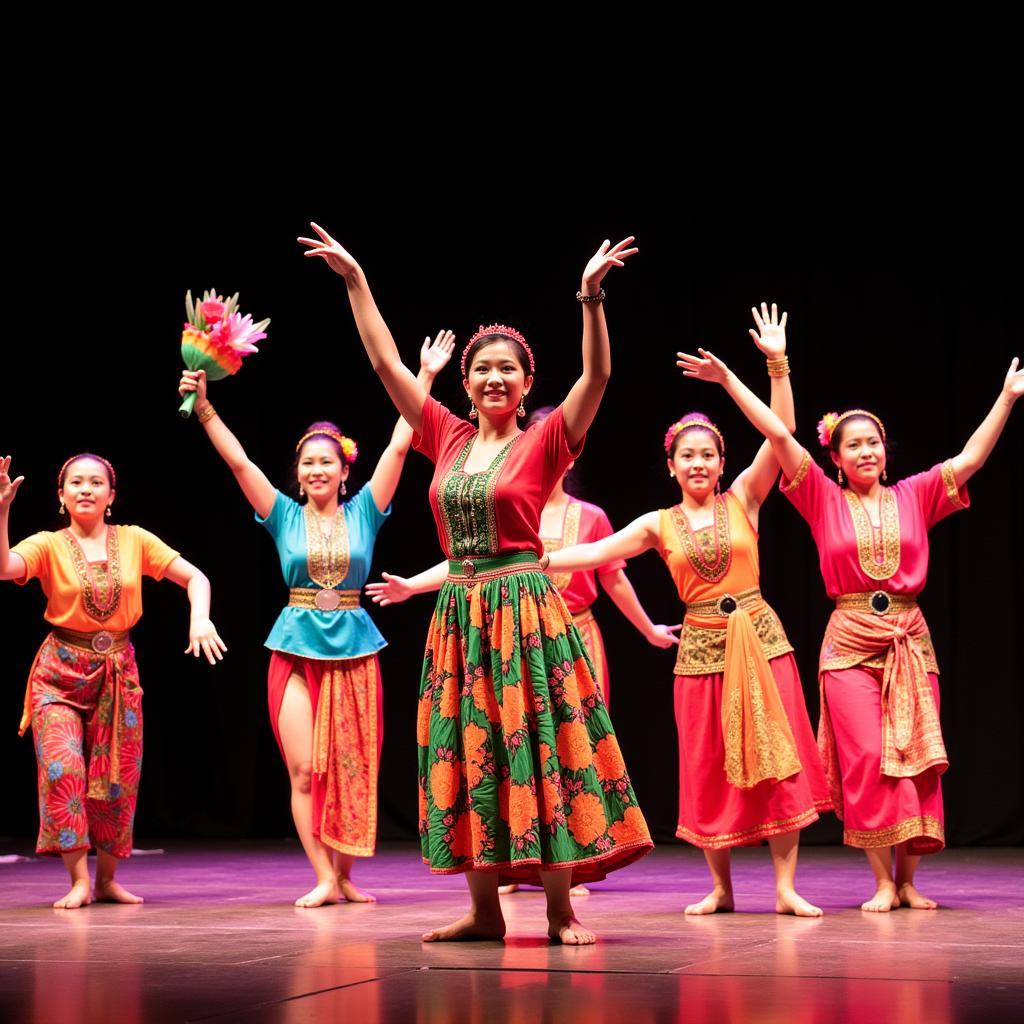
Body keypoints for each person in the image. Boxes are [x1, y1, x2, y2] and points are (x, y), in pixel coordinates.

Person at [300, 222, 652, 945]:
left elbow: (599, 378)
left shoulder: (547, 440)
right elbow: (385, 363)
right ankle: (485, 909)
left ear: (526, 385)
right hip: (461, 615)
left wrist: (590, 299)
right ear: (465, 384)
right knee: (466, 745)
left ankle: (558, 909)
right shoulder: (447, 437)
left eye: (509, 370)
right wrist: (356, 281)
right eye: (482, 369)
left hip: (523, 608)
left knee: (538, 744)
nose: (495, 377)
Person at [677, 339, 1023, 912]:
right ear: (835, 457)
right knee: (866, 759)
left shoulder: (916, 494)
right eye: (853, 445)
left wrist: (1005, 401)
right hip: (847, 643)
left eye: (873, 443)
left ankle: (908, 879)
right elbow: (780, 437)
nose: (865, 452)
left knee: (916, 756)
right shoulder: (819, 497)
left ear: (886, 452)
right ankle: (882, 880)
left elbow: (970, 459)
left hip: (911, 637)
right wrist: (737, 379)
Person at [549, 304, 831, 917]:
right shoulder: (657, 523)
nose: (698, 463)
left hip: (759, 636)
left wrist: (770, 367)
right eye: (687, 456)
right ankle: (723, 887)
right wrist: (536, 562)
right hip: (702, 648)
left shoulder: (745, 500)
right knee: (706, 764)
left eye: (708, 454)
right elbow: (596, 551)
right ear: (672, 465)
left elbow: (781, 435)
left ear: (722, 463)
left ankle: (784, 888)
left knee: (779, 758)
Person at [178, 332, 454, 907]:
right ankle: (323, 876)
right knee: (304, 771)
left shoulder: (366, 512)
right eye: (307, 463)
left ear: (343, 469)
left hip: (354, 643)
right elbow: (238, 461)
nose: (315, 469)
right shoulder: (281, 514)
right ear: (298, 472)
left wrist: (424, 378)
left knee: (352, 769)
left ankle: (346, 875)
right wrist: (205, 407)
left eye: (325, 461)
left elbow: (401, 448)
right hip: (297, 647)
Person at [367, 404, 678, 897]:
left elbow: (612, 575)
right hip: (488, 629)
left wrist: (646, 630)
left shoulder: (588, 516)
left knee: (556, 745)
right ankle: (508, 860)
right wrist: (412, 586)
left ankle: (568, 862)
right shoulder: (498, 498)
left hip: (562, 632)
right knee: (490, 743)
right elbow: (466, 561)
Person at [0, 452, 226, 909]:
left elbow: (195, 577)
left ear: (111, 496)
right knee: (65, 770)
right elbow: (5, 568)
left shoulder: (135, 540)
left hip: (118, 671)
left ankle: (105, 880)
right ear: (61, 497)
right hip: (58, 675)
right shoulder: (47, 544)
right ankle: (78, 881)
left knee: (116, 778)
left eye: (96, 483)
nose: (86, 489)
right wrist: (1, 510)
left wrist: (199, 618)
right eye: (76, 483)